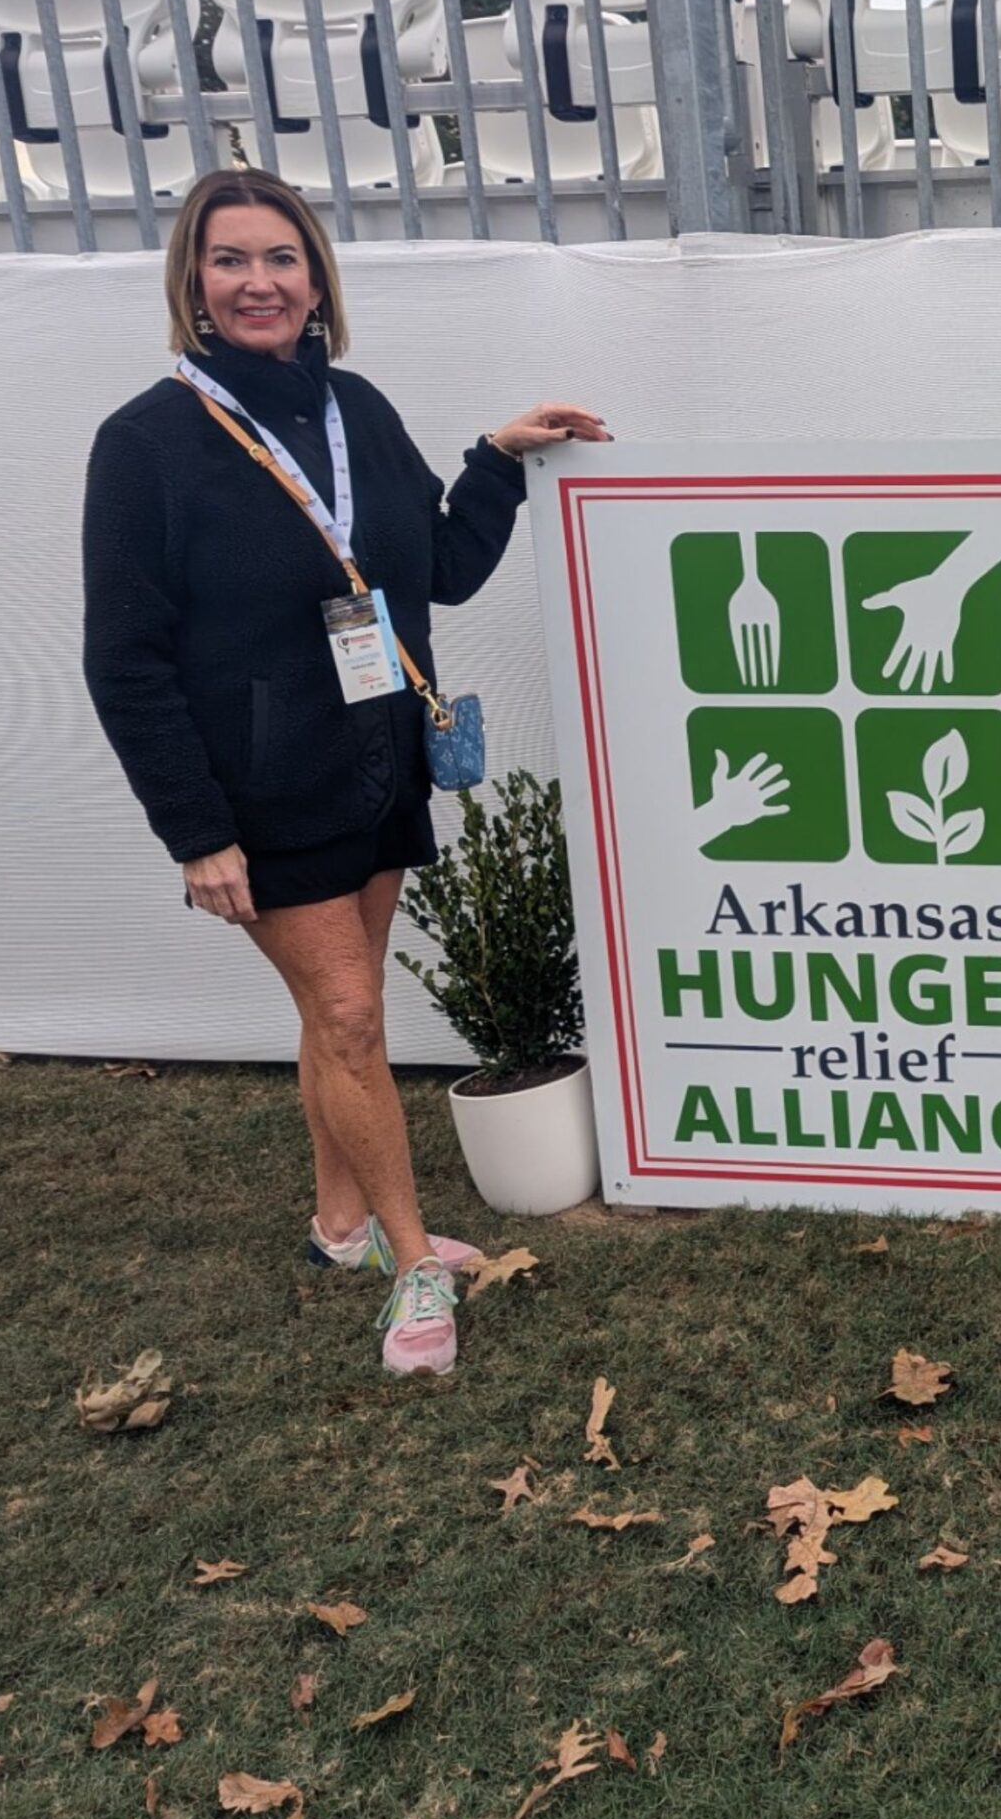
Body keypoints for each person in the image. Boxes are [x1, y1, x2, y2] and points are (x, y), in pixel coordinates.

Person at [81, 167, 610, 1378]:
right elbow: (125, 657)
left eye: (281, 258)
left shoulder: (354, 408)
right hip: (260, 794)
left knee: (340, 1012)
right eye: (230, 261)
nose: (257, 281)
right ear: (193, 286)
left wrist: (496, 459)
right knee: (353, 1017)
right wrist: (195, 829)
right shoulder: (147, 443)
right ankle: (414, 1261)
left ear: (316, 278)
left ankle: (337, 1227)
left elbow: (436, 567)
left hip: (378, 766)